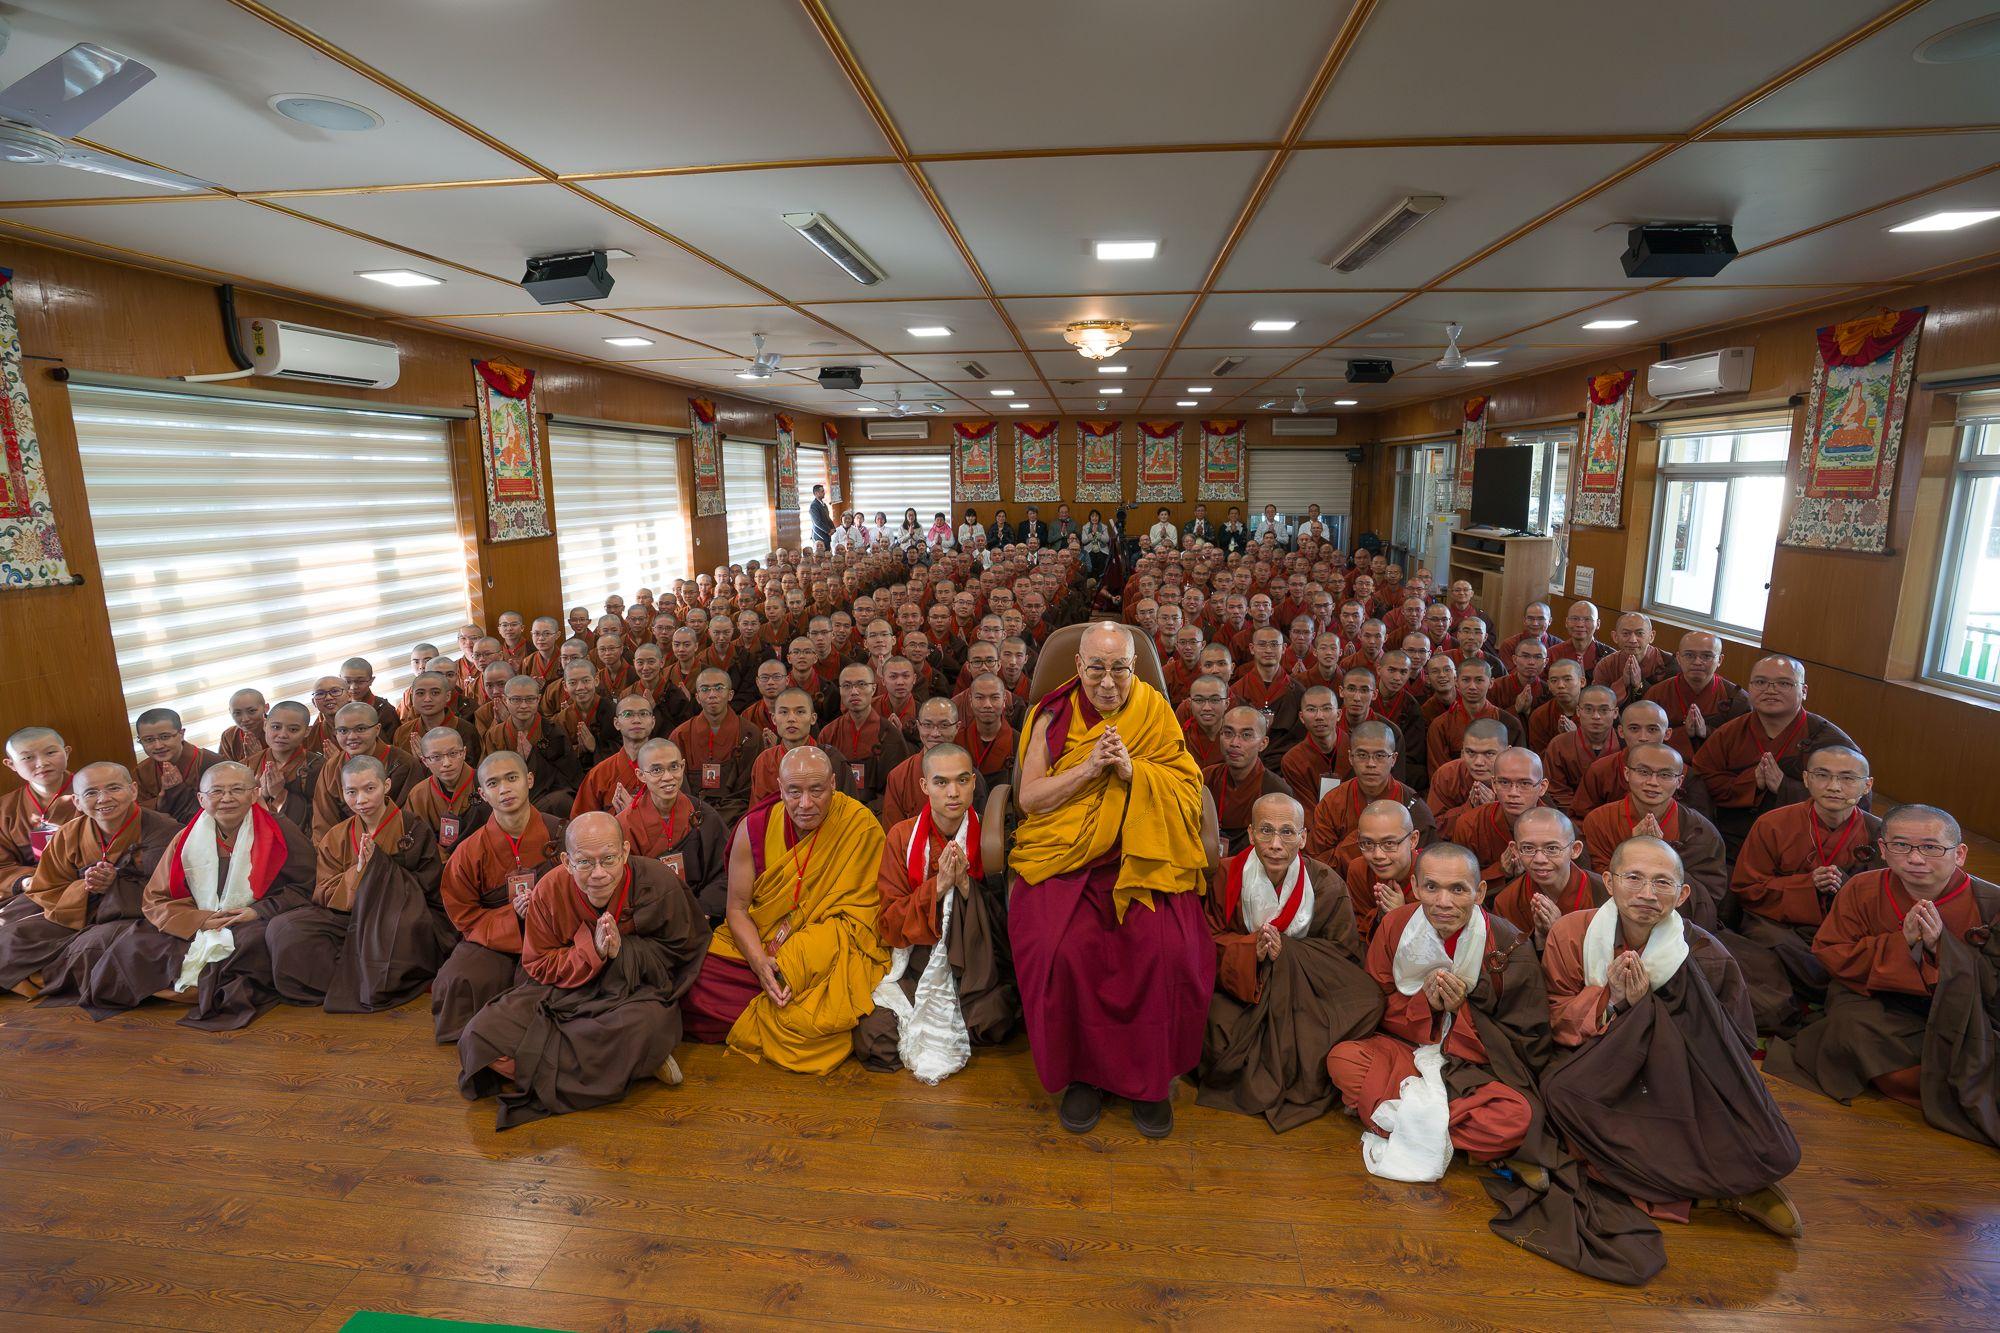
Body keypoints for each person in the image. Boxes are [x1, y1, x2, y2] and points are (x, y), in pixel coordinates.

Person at [1504, 837, 1803, 1284]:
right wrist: (1614, 1003)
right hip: (1594, 1056)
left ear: (1682, 894)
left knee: (1739, 1123)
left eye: (1663, 882)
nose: (1647, 893)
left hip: (1677, 1071)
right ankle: (1715, 1195)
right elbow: (1551, 1015)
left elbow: (1732, 1044)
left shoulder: (1704, 952)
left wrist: (1653, 1014)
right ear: (1608, 882)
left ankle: (1730, 1185)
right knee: (1560, 1095)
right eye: (1634, 879)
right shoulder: (1572, 933)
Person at [1008, 623, 1212, 1138]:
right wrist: (1089, 769)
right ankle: (1082, 1076)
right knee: (1062, 950)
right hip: (1068, 856)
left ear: (1134, 668)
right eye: (1095, 669)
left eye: (1119, 668)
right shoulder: (1051, 714)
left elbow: (1188, 787)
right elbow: (1029, 799)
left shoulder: (1154, 709)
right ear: (1077, 667)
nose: (1107, 682)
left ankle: (1151, 1079)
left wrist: (1134, 773)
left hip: (1143, 853)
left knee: (1168, 951)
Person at [457, 810, 708, 1128]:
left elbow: (680, 952)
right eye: (585, 862)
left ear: (626, 852)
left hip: (633, 991)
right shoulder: (549, 890)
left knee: (649, 1024)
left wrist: (623, 952)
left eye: (609, 859)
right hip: (564, 988)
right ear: (566, 861)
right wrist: (592, 952)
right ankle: (632, 1063)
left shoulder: (658, 882)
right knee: (480, 1035)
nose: (599, 873)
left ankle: (557, 1064)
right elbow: (537, 962)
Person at [1768, 804, 2000, 1146]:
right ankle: (1935, 1085)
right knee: (1850, 1029)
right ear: (1882, 849)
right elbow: (1831, 952)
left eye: (1931, 847)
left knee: (1976, 1056)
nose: (1915, 858)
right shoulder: (1862, 888)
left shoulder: (1991, 902)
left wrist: (1942, 949)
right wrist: (1899, 944)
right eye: (1901, 846)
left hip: (1960, 1007)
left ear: (1960, 853)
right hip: (1875, 998)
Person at [1327, 842, 1553, 1183]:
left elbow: (1525, 1036)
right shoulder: (1395, 926)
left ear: (1479, 892)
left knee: (1517, 1116)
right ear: (1415, 887)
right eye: (1431, 887)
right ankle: (1455, 1139)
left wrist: (1465, 1007)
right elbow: (1372, 1003)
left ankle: (1400, 1122)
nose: (1443, 902)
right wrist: (1426, 1005)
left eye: (1458, 889)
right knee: (1342, 1058)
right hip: (1405, 1050)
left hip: (1473, 1068)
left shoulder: (1507, 944)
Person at [681, 747, 889, 1073]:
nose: (805, 804)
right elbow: (736, 909)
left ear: (834, 784)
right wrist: (760, 962)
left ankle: (783, 1004)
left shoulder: (859, 826)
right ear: (780, 788)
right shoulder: (755, 828)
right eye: (794, 791)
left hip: (820, 953)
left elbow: (862, 918)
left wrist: (800, 957)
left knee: (822, 973)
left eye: (816, 790)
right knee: (696, 978)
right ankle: (791, 1009)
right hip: (762, 939)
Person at [80, 760, 314, 1028]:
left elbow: (304, 886)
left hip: (255, 917)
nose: (226, 798)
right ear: (201, 799)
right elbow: (156, 897)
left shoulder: (279, 830)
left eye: (237, 790)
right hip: (198, 916)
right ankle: (182, 989)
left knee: (246, 947)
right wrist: (198, 920)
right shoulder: (185, 838)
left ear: (254, 793)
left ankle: (200, 992)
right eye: (216, 792)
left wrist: (257, 911)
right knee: (134, 945)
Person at [1197, 793, 1382, 1130]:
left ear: (1303, 837)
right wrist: (1250, 950)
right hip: (1241, 990)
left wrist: (1290, 955)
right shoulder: (1224, 877)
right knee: (1214, 1026)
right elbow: (1204, 942)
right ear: (1251, 834)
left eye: (1287, 832)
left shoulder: (1326, 884)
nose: (1276, 844)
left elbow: (1343, 960)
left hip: (1302, 996)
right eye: (1266, 831)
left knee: (1363, 1004)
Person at [855, 743, 1019, 1077]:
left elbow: (1008, 927)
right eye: (941, 782)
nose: (953, 792)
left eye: (962, 780)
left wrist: (966, 890)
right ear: (924, 786)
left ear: (974, 782)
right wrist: (938, 887)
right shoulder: (902, 837)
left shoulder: (992, 838)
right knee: (874, 1036)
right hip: (917, 964)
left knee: (995, 1019)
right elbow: (888, 923)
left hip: (974, 969)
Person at [268, 755, 451, 1012]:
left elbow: (428, 882)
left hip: (398, 911)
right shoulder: (337, 835)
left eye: (369, 789)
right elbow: (323, 890)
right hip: (348, 912)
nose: (361, 800)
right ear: (342, 793)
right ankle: (338, 981)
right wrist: (359, 872)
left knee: (401, 930)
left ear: (386, 786)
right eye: (351, 792)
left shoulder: (412, 828)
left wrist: (380, 870)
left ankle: (364, 981)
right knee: (284, 927)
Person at [1728, 745, 1882, 1035]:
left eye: (1848, 778)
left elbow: (1887, 900)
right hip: (1778, 922)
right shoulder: (1773, 823)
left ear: (1867, 786)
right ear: (1807, 779)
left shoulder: (1881, 834)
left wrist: (1847, 888)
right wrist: (1805, 885)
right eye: (1823, 775)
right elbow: (1746, 887)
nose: (1834, 787)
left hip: (1846, 931)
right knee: (1777, 945)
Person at [0, 762, 178, 1000]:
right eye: (91, 793)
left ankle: (56, 982)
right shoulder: (69, 833)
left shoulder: (165, 831)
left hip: (137, 914)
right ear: (77, 802)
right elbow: (47, 886)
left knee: (90, 946)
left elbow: (174, 890)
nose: (104, 799)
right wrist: (85, 887)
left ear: (133, 790)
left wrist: (117, 885)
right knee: (12, 935)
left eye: (114, 788)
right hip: (77, 910)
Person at [431, 751, 565, 1043]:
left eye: (512, 778)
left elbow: (584, 884)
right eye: (493, 783)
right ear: (482, 793)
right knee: (458, 979)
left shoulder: (561, 832)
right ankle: (484, 1037)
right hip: (498, 936)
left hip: (557, 932)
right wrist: (511, 917)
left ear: (529, 780)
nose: (504, 789)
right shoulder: (469, 851)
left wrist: (548, 908)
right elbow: (463, 913)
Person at [1694, 655, 1857, 853]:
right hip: (1732, 836)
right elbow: (1701, 778)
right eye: (1761, 682)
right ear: (1750, 688)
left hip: (1805, 841)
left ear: (1803, 691)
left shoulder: (1830, 740)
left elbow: (1855, 797)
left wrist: (1784, 786)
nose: (1770, 690)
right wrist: (1750, 783)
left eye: (1784, 683)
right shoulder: (1730, 732)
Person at [618, 737, 731, 922]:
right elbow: (623, 887)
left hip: (702, 914)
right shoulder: (626, 824)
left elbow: (726, 869)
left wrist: (704, 909)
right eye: (656, 770)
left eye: (674, 767)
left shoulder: (703, 814)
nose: (668, 777)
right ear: (640, 775)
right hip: (652, 918)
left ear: (683, 766)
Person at [1305, 720, 1435, 877]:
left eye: (1380, 755)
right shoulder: (1333, 802)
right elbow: (1317, 866)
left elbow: (1427, 868)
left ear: (1393, 759)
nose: (1371, 764)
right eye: (1362, 755)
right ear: (1350, 757)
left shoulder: (1414, 807)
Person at [668, 667, 765, 823]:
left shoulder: (749, 733)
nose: (712, 694)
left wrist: (717, 818)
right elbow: (677, 784)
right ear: (697, 697)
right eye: (705, 689)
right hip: (691, 814)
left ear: (730, 695)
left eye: (719, 688)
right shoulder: (680, 735)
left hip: (736, 815)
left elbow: (748, 789)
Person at [311, 701, 419, 836]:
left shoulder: (403, 763)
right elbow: (324, 820)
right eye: (343, 730)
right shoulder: (332, 767)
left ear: (377, 729)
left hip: (395, 841)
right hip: (347, 844)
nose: (351, 737)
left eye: (360, 729)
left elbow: (411, 817)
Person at [1644, 630, 1747, 763]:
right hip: (1663, 764)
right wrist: (1682, 733)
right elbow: (1644, 737)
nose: (1697, 662)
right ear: (1679, 658)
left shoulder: (1737, 699)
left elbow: (1741, 746)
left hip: (1716, 768)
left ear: (1720, 660)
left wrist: (1707, 732)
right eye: (1689, 655)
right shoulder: (1657, 693)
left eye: (1706, 656)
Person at [820, 663, 911, 812]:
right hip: (836, 812)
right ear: (840, 690)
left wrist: (865, 813)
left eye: (861, 684)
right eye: (847, 686)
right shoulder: (828, 733)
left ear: (873, 689)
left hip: (876, 814)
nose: (854, 691)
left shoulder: (889, 734)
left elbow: (896, 788)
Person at [1203, 707, 1290, 857]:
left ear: (1263, 743)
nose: (1234, 743)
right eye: (1228, 733)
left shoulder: (1276, 790)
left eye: (1246, 735)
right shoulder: (1206, 778)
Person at [1, 725, 76, 897]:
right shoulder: (5, 808)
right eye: (28, 757)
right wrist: (26, 881)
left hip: (89, 882)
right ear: (11, 764)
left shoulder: (96, 794)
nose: (42, 763)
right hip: (33, 888)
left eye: (50, 753)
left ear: (67, 752)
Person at [405, 725, 487, 859]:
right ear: (425, 761)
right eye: (436, 757)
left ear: (464, 753)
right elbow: (418, 839)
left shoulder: (485, 784)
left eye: (453, 754)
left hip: (481, 858)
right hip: (438, 863)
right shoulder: (418, 794)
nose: (447, 763)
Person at [134, 707, 220, 824]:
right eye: (149, 740)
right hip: (163, 836)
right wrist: (162, 798)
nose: (158, 745)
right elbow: (138, 814)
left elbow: (224, 805)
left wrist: (178, 791)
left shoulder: (211, 762)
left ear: (181, 734)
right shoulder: (142, 771)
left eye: (165, 737)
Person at [218, 688, 269, 766]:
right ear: (230, 712)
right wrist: (249, 761)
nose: (245, 719)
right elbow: (225, 770)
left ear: (266, 708)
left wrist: (258, 757)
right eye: (237, 713)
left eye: (252, 711)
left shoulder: (280, 731)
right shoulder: (229, 735)